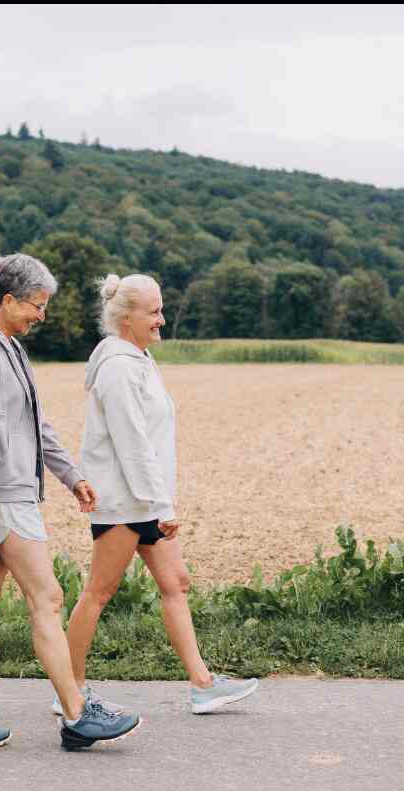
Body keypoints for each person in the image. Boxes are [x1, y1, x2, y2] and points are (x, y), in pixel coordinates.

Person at [0, 254, 141, 751]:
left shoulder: (9, 348)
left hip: (7, 494)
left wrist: (71, 475)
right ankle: (76, 714)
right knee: (47, 599)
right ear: (7, 300)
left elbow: (35, 425)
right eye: (36, 306)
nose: (41, 315)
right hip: (0, 497)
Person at [59, 272, 258, 716]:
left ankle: (203, 685)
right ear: (126, 317)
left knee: (176, 583)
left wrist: (160, 500)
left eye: (160, 309)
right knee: (99, 593)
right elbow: (132, 444)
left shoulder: (140, 359)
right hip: (124, 501)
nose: (161, 319)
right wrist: (162, 504)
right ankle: (68, 690)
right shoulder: (115, 367)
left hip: (145, 499)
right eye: (153, 311)